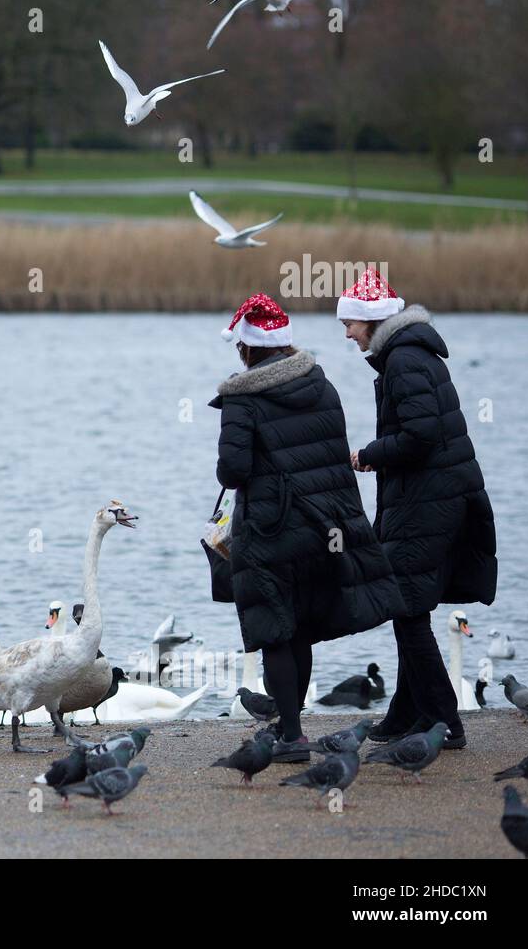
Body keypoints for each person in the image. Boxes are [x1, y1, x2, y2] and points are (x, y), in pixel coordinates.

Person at [211, 294, 404, 761]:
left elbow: (233, 471)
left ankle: (292, 736)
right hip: (323, 527)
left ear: (248, 347)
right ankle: (290, 728)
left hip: (270, 529)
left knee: (274, 628)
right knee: (298, 627)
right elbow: (331, 457)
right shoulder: (321, 383)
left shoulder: (243, 397)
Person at [338, 268, 496, 749]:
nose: (346, 333)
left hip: (430, 501)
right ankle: (405, 715)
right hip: (436, 496)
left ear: (372, 321)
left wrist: (368, 455)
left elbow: (421, 436)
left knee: (406, 610)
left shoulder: (404, 360)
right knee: (410, 606)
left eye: (350, 323)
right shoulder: (408, 354)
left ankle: (446, 721)